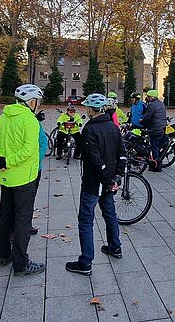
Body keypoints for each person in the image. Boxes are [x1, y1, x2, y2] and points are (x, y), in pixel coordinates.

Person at [66, 93, 126, 276]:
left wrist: (109, 180)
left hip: (94, 183)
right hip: (109, 182)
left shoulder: (90, 130)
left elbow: (94, 158)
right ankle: (115, 247)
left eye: (87, 107)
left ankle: (85, 262)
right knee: (109, 213)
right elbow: (122, 154)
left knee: (85, 220)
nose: (86, 110)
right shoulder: (113, 127)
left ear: (92, 110)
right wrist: (116, 178)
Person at [0, 84, 44, 276]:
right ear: (31, 102)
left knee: (5, 216)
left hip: (6, 177)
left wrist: (0, 159)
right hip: (24, 178)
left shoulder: (4, 117)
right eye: (37, 101)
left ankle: (3, 255)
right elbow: (29, 150)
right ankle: (21, 264)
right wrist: (10, 161)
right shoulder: (30, 120)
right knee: (23, 221)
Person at [140, 89, 167, 172]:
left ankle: (156, 166)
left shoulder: (152, 105)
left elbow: (147, 117)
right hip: (162, 129)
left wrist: (142, 122)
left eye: (148, 96)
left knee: (154, 147)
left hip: (154, 130)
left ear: (151, 97)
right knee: (159, 147)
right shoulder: (161, 104)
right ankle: (159, 161)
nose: (147, 98)